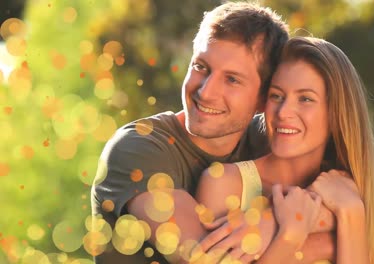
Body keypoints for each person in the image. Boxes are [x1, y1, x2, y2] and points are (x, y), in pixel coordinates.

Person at [91, 2, 334, 263]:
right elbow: (211, 259)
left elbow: (350, 193)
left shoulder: (271, 141)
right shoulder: (138, 149)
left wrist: (268, 224)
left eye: (232, 79)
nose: (205, 92)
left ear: (264, 99)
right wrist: (320, 241)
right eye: (200, 67)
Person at [196, 37, 374, 263]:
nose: (284, 112)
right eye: (277, 96)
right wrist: (297, 236)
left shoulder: (360, 193)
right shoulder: (225, 184)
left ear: (336, 114)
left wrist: (351, 211)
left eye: (305, 99)